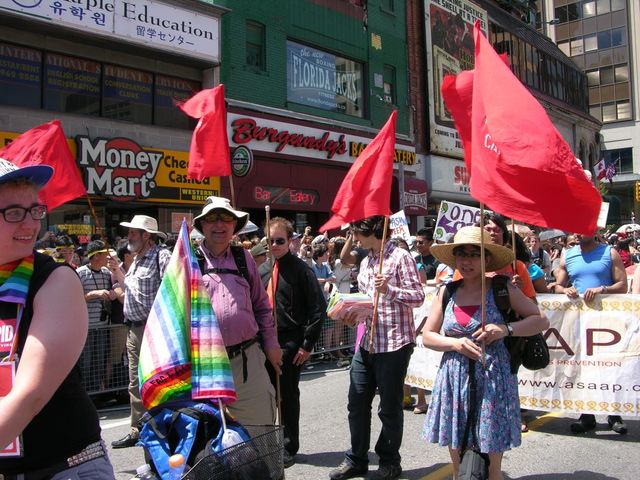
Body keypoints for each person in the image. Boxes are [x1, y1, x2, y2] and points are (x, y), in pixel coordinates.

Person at [0, 158, 115, 478]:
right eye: (13, 213)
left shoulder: (56, 281)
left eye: (35, 210)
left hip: (64, 469)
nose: (30, 224)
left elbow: (29, 395)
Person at [421, 226, 548, 480]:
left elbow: (540, 320)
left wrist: (505, 329)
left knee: (492, 462)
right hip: (454, 377)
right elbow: (427, 336)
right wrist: (455, 344)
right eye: (461, 254)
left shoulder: (502, 288)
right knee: (457, 454)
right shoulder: (447, 291)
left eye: (474, 254)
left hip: (494, 376)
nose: (466, 261)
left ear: (486, 259)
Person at [330, 216, 425, 480]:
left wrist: (390, 289)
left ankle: (389, 461)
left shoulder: (401, 257)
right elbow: (365, 301)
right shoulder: (366, 260)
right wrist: (351, 313)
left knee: (389, 407)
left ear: (370, 230)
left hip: (394, 343)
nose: (354, 237)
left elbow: (418, 296)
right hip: (367, 341)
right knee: (357, 402)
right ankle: (357, 458)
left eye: (355, 231)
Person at [193, 196, 282, 427]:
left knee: (259, 429)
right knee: (209, 436)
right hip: (203, 365)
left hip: (247, 360)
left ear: (234, 226)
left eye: (226, 219)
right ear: (202, 225)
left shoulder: (244, 259)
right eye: (212, 219)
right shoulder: (188, 261)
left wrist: (271, 344)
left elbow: (262, 307)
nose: (219, 225)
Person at [261, 217, 326, 468]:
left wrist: (307, 344)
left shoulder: (301, 270)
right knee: (265, 397)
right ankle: (266, 445)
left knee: (287, 395)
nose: (275, 245)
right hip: (263, 342)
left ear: (290, 241)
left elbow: (317, 308)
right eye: (270, 241)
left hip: (290, 341)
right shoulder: (262, 269)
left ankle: (288, 446)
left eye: (280, 240)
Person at [554, 231, 628, 435]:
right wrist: (565, 290)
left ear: (593, 231)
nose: (577, 233)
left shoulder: (609, 252)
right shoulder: (567, 255)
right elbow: (558, 285)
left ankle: (614, 414)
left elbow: (623, 285)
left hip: (608, 321)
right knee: (583, 368)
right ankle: (587, 416)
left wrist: (602, 289)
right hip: (579, 320)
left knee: (609, 366)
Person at [110, 215, 171, 449]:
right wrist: (117, 271)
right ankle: (138, 429)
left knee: (157, 381)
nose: (130, 236)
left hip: (153, 328)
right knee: (134, 383)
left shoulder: (161, 256)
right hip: (133, 329)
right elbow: (129, 289)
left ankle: (162, 426)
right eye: (130, 232)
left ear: (147, 236)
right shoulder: (135, 260)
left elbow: (171, 288)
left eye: (134, 232)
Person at [76, 240, 119, 392]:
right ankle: (85, 393)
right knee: (85, 362)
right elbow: (73, 297)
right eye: (104, 254)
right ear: (95, 257)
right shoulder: (81, 272)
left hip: (103, 325)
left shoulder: (107, 273)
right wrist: (94, 294)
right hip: (86, 326)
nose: (108, 257)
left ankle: (96, 393)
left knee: (99, 361)